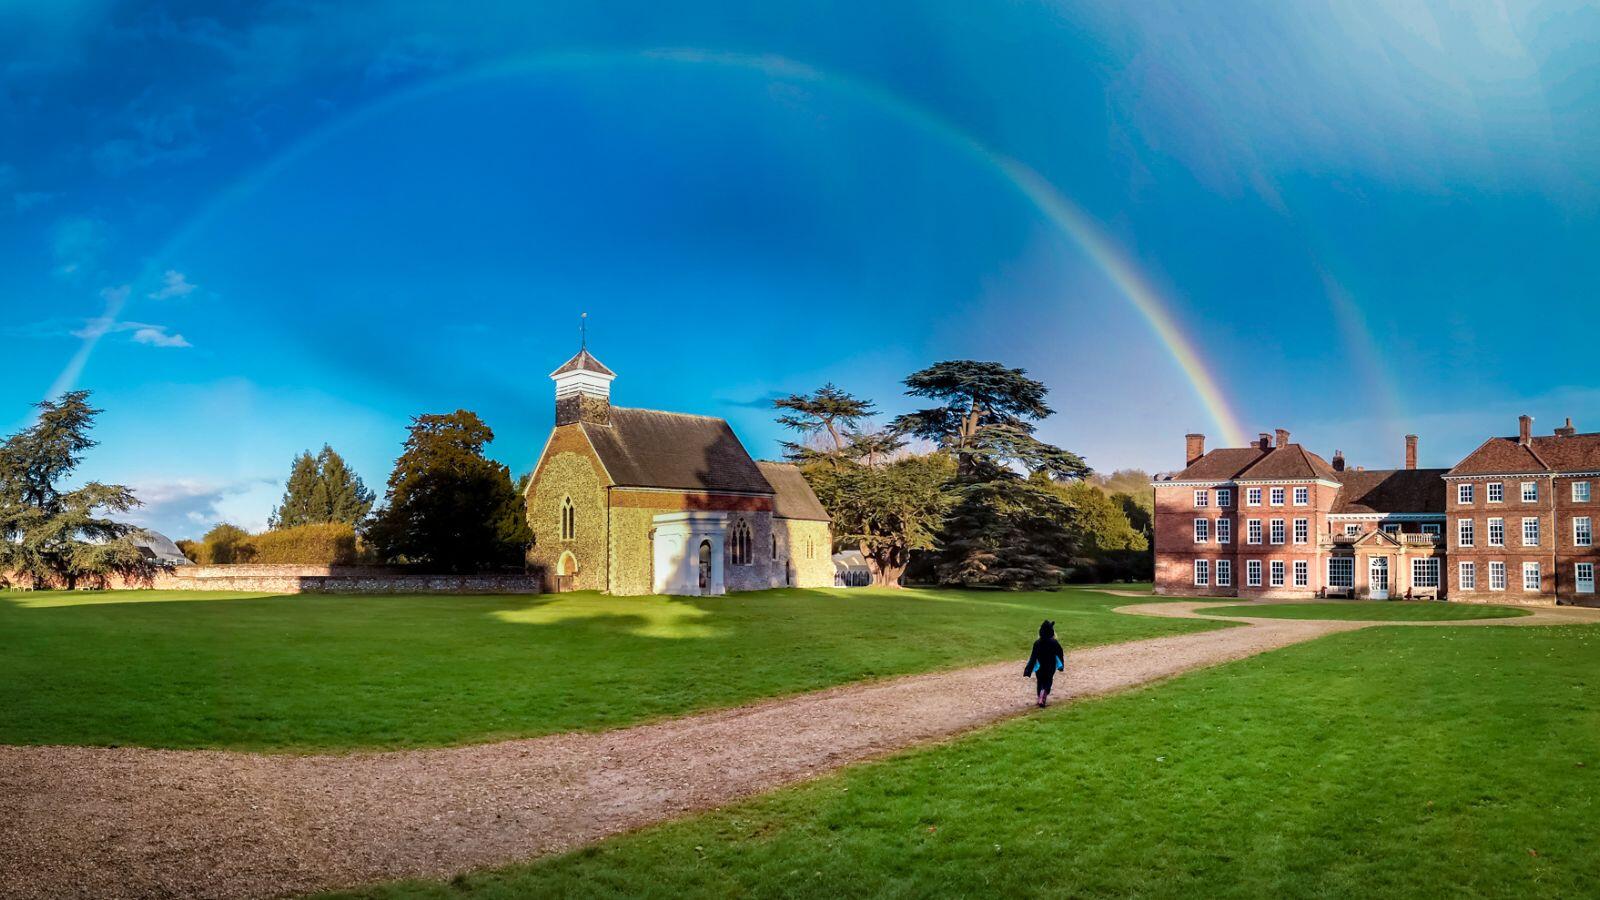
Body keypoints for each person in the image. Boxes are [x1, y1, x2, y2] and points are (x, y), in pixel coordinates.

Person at [1023, 619, 1065, 707]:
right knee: (1048, 681)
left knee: (1040, 681)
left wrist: (1028, 669)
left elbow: (1033, 657)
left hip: (1039, 667)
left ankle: (1040, 697)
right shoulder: (1054, 642)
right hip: (1050, 666)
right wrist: (1061, 665)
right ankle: (1044, 694)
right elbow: (1060, 653)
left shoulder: (1037, 643)